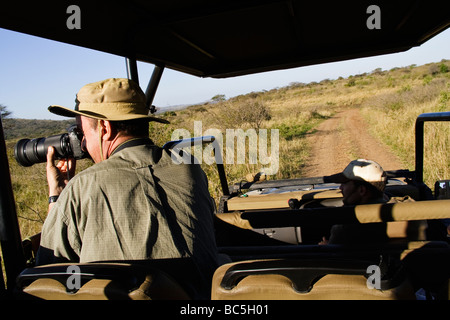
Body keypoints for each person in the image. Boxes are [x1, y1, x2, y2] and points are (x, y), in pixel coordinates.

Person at [36, 78, 220, 298]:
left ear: (104, 128)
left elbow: (46, 278)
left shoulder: (81, 187)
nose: (82, 144)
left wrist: (57, 194)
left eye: (82, 132)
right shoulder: (188, 166)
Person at [319, 159, 424, 245]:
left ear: (362, 190)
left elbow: (335, 259)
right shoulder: (410, 213)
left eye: (345, 184)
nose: (340, 188)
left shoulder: (345, 229)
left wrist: (326, 246)